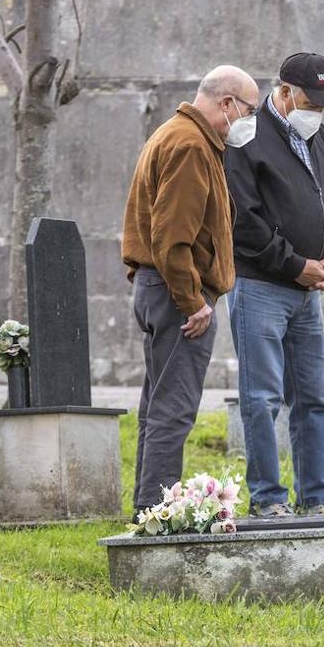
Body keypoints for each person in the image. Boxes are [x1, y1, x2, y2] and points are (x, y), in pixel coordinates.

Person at [121, 65, 260, 514]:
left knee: (158, 407)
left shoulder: (181, 136)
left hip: (161, 287)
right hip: (177, 293)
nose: (249, 121)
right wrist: (192, 301)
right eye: (249, 110)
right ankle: (157, 517)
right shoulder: (190, 145)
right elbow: (171, 236)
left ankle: (148, 509)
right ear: (227, 104)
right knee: (174, 411)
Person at [226, 52, 324, 517]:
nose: (316, 113)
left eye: (323, 105)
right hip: (260, 285)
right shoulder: (246, 136)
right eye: (309, 102)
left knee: (314, 399)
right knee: (262, 399)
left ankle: (317, 498)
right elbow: (244, 220)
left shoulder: (321, 140)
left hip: (308, 291)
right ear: (282, 93)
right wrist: (295, 264)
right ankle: (268, 499)